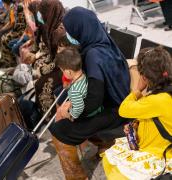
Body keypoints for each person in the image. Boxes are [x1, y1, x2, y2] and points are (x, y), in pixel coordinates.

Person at [49, 7, 130, 179]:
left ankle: (78, 177)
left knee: (59, 130)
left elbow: (93, 100)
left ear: (79, 28)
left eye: (69, 29)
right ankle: (105, 143)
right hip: (118, 102)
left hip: (115, 110)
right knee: (61, 96)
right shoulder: (102, 41)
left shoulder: (93, 54)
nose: (68, 33)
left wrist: (71, 113)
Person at [103, 46, 172, 180]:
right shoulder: (164, 93)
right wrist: (136, 125)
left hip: (160, 153)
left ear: (144, 78)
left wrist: (137, 90)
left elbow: (124, 110)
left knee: (115, 172)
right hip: (157, 142)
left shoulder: (157, 100)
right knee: (110, 160)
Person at [55, 47, 102, 122]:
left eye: (62, 71)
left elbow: (79, 108)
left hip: (85, 115)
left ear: (69, 72)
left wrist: (71, 116)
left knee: (60, 116)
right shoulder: (83, 73)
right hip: (90, 105)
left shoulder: (74, 91)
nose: (62, 73)